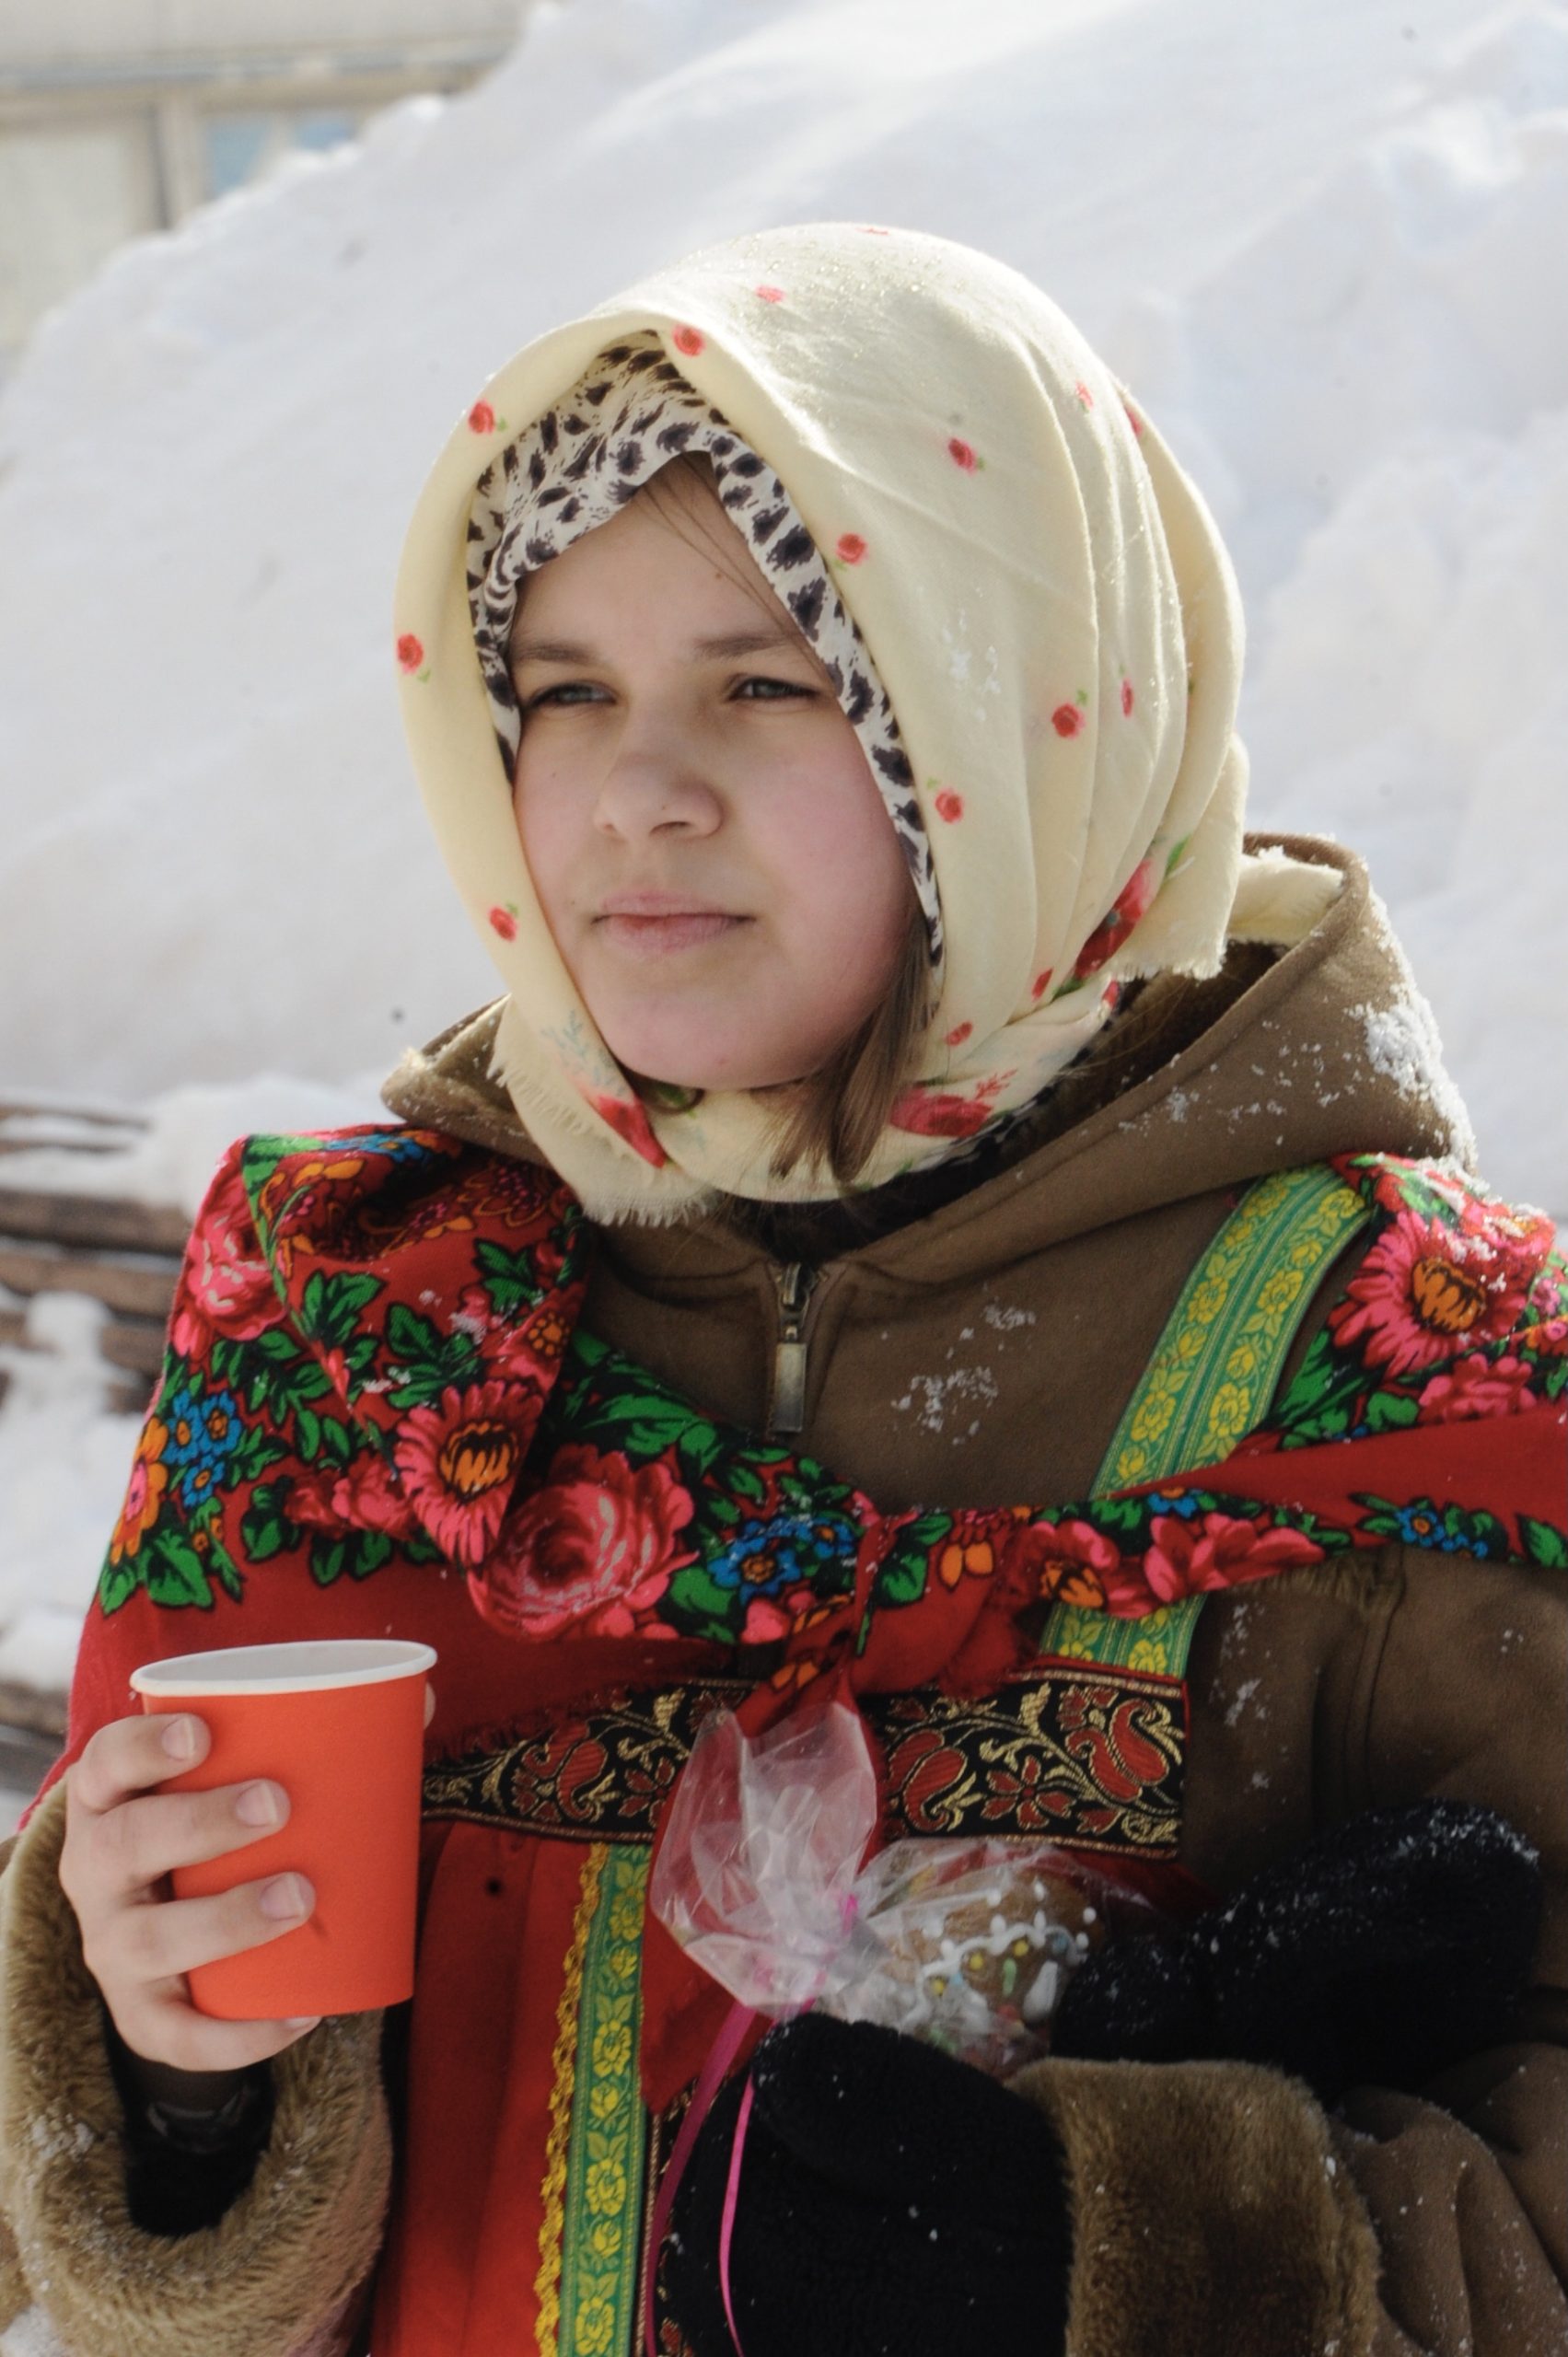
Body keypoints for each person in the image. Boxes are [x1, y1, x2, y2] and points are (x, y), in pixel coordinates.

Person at [0, 223, 1561, 2357]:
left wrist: (1120, 2247)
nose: (638, 792)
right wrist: (175, 2087)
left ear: (1027, 720)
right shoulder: (367, 1331)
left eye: (770, 681)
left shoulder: (1427, 1377)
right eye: (566, 691)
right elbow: (110, 2260)